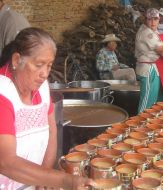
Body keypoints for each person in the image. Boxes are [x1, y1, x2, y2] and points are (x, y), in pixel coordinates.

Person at [0, 27, 93, 189]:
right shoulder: (3, 94)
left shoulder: (41, 88)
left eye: (49, 66)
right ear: (16, 61)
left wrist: (45, 176)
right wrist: (64, 180)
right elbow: (6, 162)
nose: (45, 74)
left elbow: (51, 131)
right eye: (39, 65)